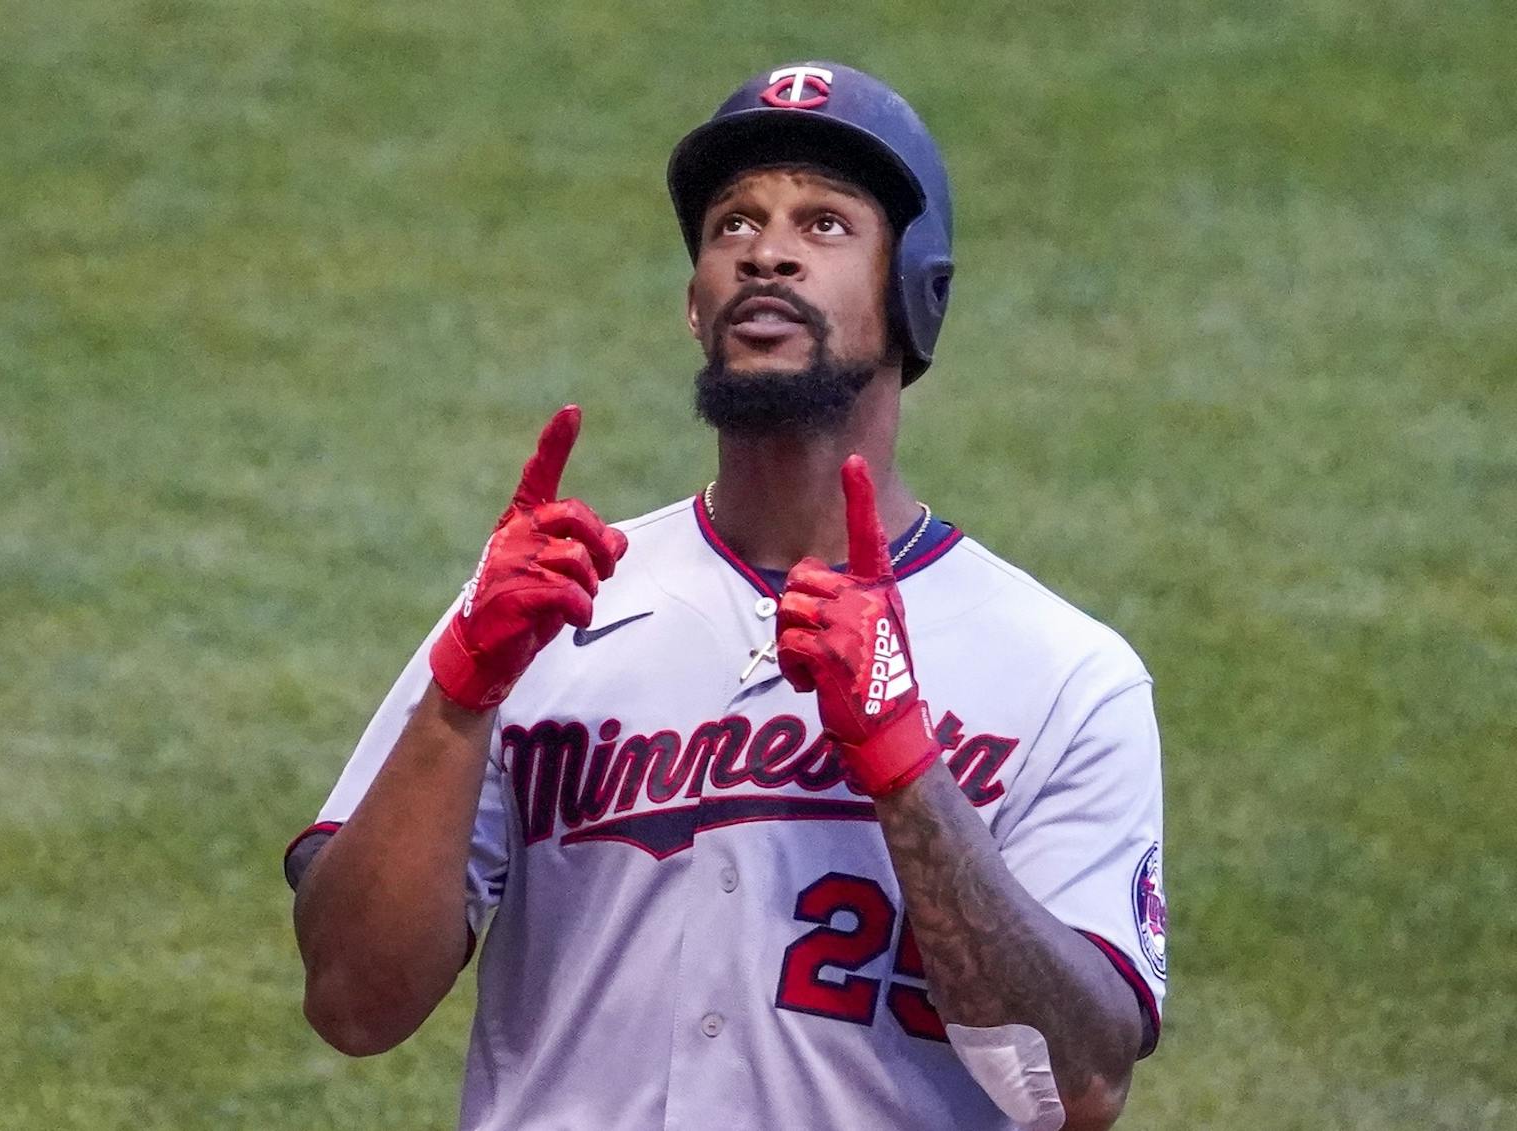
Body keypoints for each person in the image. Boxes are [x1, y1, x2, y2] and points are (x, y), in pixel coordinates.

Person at [285, 60, 1167, 1131]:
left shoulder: (1064, 674)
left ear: (913, 294)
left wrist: (904, 768)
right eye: (732, 223)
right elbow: (351, 1004)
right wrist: (461, 692)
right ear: (695, 304)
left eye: (827, 223)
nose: (768, 249)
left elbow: (1076, 1090)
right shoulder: (545, 607)